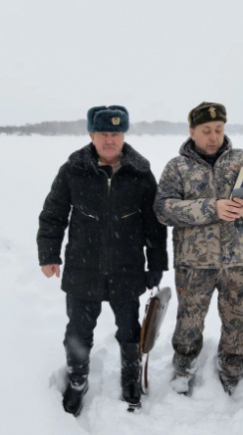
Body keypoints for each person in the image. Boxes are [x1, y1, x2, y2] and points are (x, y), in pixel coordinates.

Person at [37, 106, 168, 415]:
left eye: (116, 134)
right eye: (104, 134)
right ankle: (77, 382)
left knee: (129, 330)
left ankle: (130, 379)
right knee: (78, 332)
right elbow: (53, 215)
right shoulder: (73, 169)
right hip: (83, 268)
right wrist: (48, 255)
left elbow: (154, 223)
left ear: (123, 135)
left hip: (128, 268)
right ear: (91, 135)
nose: (110, 140)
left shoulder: (140, 172)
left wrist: (157, 263)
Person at [154, 102, 243, 395]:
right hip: (193, 262)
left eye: (218, 129)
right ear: (192, 131)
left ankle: (233, 370)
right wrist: (211, 208)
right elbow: (163, 209)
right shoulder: (178, 167)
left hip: (240, 260)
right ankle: (184, 367)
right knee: (189, 320)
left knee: (237, 321)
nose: (213, 136)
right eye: (206, 131)